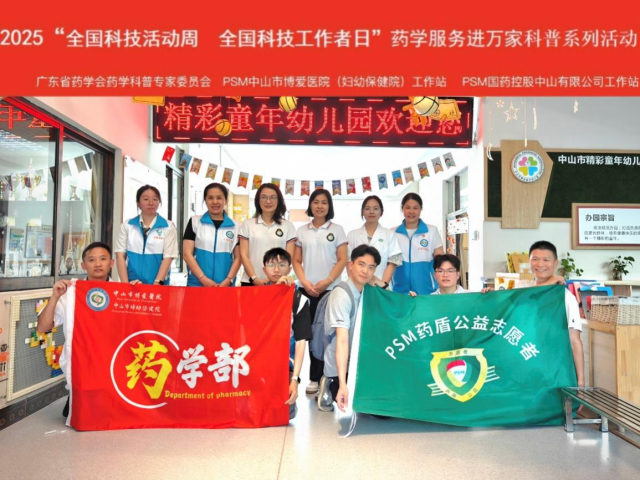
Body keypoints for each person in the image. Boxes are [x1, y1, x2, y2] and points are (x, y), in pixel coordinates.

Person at [37, 242, 115, 420]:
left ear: (111, 263)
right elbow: (43, 327)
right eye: (91, 260)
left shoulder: (123, 292)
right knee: (80, 415)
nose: (98, 264)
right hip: (82, 363)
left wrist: (137, 293)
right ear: (83, 265)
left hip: (112, 362)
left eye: (103, 259)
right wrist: (55, 296)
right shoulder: (70, 293)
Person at [293, 188, 348, 395]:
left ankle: (329, 376)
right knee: (309, 335)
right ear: (310, 205)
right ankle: (314, 378)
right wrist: (305, 283)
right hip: (307, 290)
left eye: (324, 202)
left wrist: (327, 281)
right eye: (316, 202)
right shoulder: (302, 231)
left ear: (329, 206)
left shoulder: (338, 230)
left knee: (327, 336)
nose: (319, 206)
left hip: (330, 290)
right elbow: (296, 260)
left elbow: (342, 259)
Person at [316, 245, 381, 412]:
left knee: (381, 409)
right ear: (350, 265)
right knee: (356, 402)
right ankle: (329, 381)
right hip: (339, 364)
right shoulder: (341, 295)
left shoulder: (369, 292)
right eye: (361, 264)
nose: (365, 271)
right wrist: (343, 384)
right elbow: (342, 340)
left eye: (371, 267)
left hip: (359, 360)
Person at [515, 240, 585, 387]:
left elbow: (575, 341)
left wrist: (581, 381)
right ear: (529, 262)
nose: (540, 264)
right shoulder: (522, 288)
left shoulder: (565, 297)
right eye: (535, 259)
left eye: (546, 260)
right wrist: (489, 297)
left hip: (554, 370)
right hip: (524, 365)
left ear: (555, 263)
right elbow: (505, 309)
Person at [261, 248, 312, 420]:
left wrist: (295, 379)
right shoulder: (256, 295)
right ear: (264, 270)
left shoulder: (299, 300)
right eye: (271, 265)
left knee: (285, 413)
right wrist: (275, 290)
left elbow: (301, 341)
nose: (276, 270)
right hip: (258, 359)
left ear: (290, 269)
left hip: (285, 362)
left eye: (282, 265)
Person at [115, 185, 178, 285]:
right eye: (145, 199)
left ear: (159, 202)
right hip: (132, 283)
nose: (151, 203)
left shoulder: (168, 226)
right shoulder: (127, 225)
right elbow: (120, 256)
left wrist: (157, 283)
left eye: (155, 199)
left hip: (158, 284)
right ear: (138, 203)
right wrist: (125, 285)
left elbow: (169, 257)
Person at [183, 183, 241, 287]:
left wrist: (229, 279)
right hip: (197, 283)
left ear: (226, 200)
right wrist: (203, 279)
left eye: (219, 198)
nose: (215, 202)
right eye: (210, 198)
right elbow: (187, 254)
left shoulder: (236, 226)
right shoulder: (194, 222)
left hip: (225, 285)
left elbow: (239, 257)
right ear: (205, 200)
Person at [238, 183, 297, 286]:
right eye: (264, 197)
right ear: (258, 200)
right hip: (250, 281)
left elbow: (288, 257)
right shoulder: (247, 224)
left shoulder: (288, 226)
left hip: (278, 282)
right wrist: (254, 278)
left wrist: (272, 279)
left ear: (279, 200)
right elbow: (244, 255)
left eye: (272, 197)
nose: (268, 201)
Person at [393, 193, 444, 296]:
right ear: (402, 209)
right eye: (408, 207)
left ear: (421, 209)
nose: (411, 211)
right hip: (400, 290)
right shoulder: (393, 233)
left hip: (427, 289)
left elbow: (441, 261)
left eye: (415, 208)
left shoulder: (431, 231)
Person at [347, 195, 402, 289]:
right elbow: (348, 261)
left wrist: (382, 285)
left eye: (376, 208)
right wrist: (354, 284)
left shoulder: (389, 234)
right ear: (362, 212)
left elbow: (392, 262)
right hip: (357, 286)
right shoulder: (352, 235)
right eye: (367, 208)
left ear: (381, 211)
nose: (371, 212)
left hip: (381, 284)